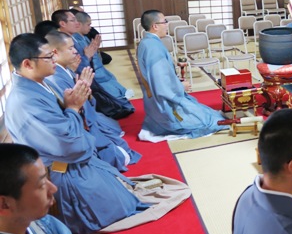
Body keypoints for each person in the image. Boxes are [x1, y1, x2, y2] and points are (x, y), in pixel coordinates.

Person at [5, 33, 148, 234]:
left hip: (72, 159)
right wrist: (73, 108)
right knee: (119, 207)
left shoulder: (40, 84)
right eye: (48, 57)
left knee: (125, 195)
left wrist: (76, 104)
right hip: (61, 170)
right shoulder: (26, 101)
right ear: (28, 64)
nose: (54, 59)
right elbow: (68, 143)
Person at [45, 30, 141, 172]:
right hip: (83, 130)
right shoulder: (56, 78)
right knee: (120, 155)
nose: (75, 51)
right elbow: (76, 111)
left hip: (89, 119)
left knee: (121, 145)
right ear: (55, 52)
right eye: (70, 48)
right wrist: (84, 90)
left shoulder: (65, 70)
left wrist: (86, 92)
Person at [137, 9, 228, 140]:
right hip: (165, 105)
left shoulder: (146, 42)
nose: (167, 25)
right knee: (209, 121)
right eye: (164, 22)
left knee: (207, 112)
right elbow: (161, 84)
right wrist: (180, 86)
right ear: (155, 26)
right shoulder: (153, 47)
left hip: (154, 101)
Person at [52, 8, 134, 120]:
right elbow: (77, 67)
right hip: (81, 81)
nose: (77, 23)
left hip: (88, 76)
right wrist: (87, 57)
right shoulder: (62, 42)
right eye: (73, 20)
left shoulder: (74, 38)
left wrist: (90, 55)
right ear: (62, 23)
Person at [74, 11, 134, 100]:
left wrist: (95, 50)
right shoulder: (75, 41)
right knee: (113, 93)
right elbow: (81, 62)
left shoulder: (84, 37)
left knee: (111, 79)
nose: (90, 27)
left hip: (97, 68)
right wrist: (88, 56)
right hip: (92, 72)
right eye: (88, 25)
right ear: (79, 24)